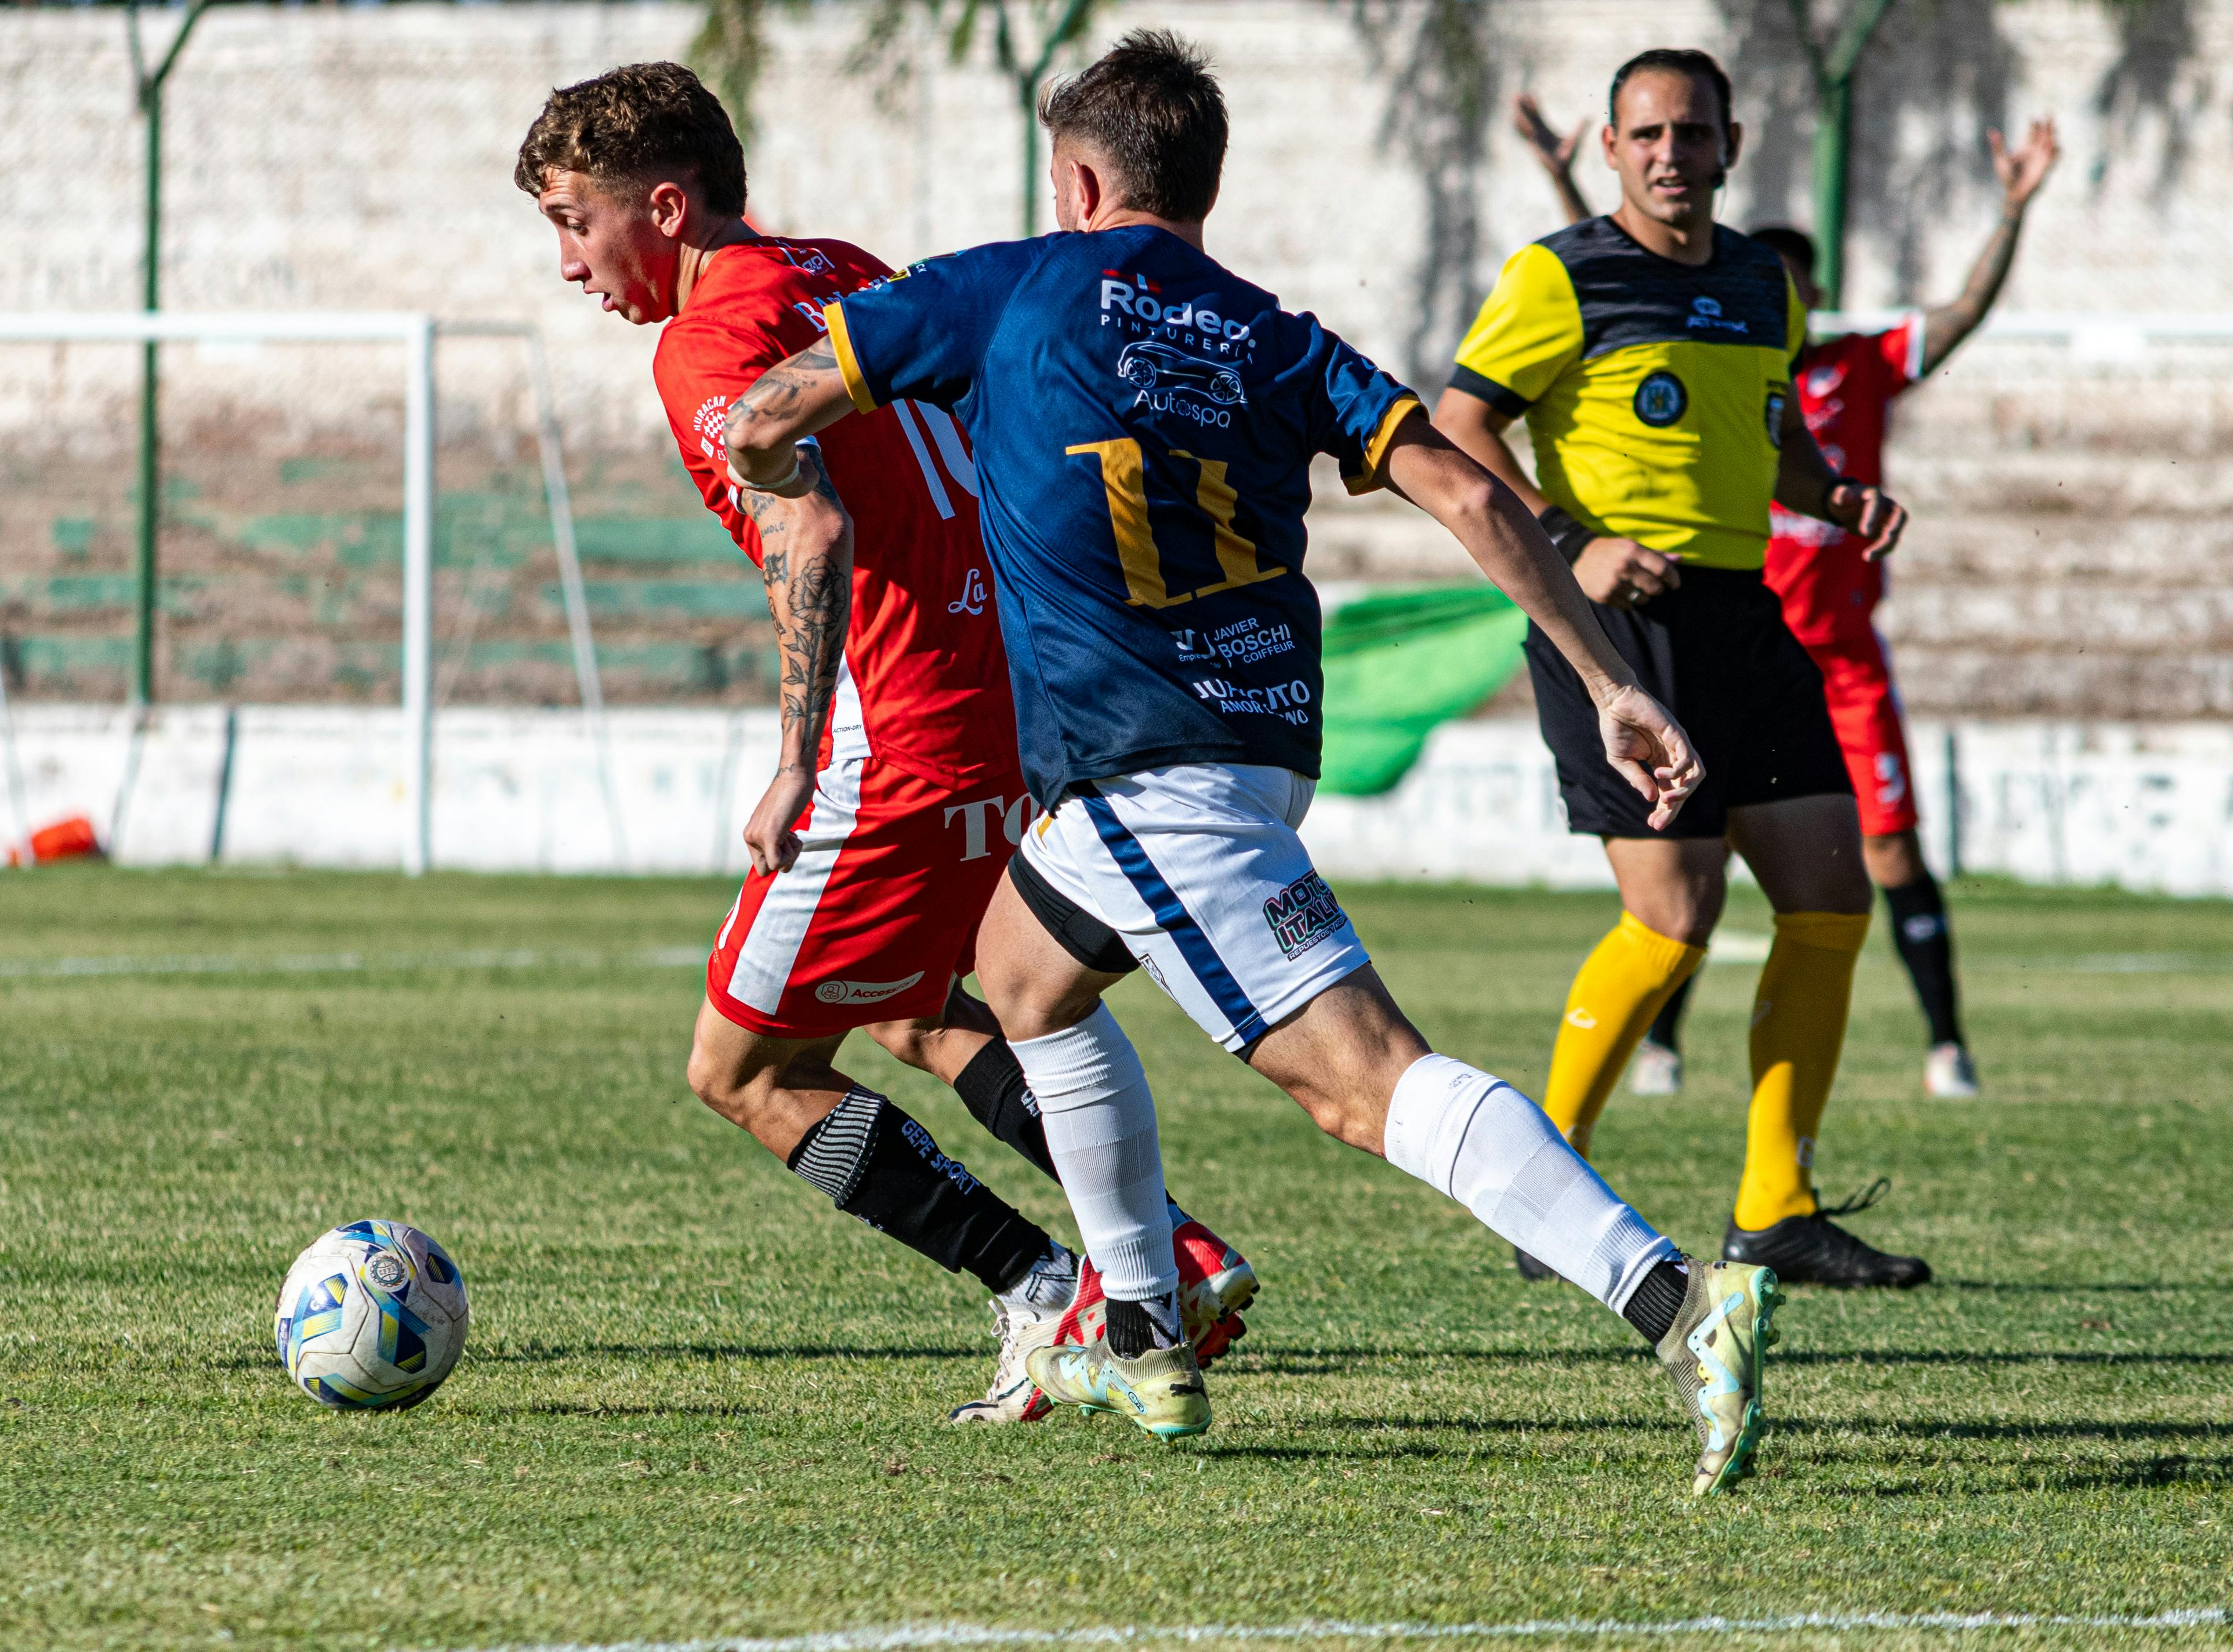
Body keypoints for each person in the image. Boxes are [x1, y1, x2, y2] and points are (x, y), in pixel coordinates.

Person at [724, 30, 1782, 1497]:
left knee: (1364, 1083)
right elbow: (1472, 492)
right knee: (1022, 973)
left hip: (1151, 770)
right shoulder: (1273, 333)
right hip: (1255, 742)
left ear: (1077, 179)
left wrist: (771, 467)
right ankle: (1145, 1329)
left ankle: (1672, 1297)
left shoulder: (1005, 284)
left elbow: (767, 412)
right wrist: (1609, 680)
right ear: (1202, 185)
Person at [513, 62, 1257, 1426]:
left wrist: (798, 758)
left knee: (742, 1071)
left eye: (575, 222)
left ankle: (1045, 1285)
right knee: (923, 1002)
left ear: (664, 208)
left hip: (900, 730)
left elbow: (809, 525)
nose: (567, 262)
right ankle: (1175, 1254)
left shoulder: (706, 345)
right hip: (1011, 699)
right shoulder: (842, 267)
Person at [1436, 49, 1930, 1290]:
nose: (1672, 154)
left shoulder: (1763, 283)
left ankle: (1777, 1208)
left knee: (1832, 898)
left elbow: (1779, 438)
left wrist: (1838, 495)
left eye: (1694, 133)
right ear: (1611, 148)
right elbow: (1456, 427)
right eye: (1649, 133)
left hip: (1742, 615)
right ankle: (1541, 1189)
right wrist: (1574, 541)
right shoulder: (1559, 274)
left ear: (1732, 145)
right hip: (1612, 629)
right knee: (1674, 916)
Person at [1513, 93, 2061, 1103]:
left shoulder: (1844, 362)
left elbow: (1957, 317)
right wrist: (1574, 539)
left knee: (1857, 870)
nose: (1763, 294)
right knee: (1685, 891)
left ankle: (1935, 1054)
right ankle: (1632, 1079)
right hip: (1692, 631)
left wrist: (2015, 210)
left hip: (1828, 659)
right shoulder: (1658, 329)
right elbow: (1613, 274)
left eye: (1788, 283)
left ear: (1809, 294)